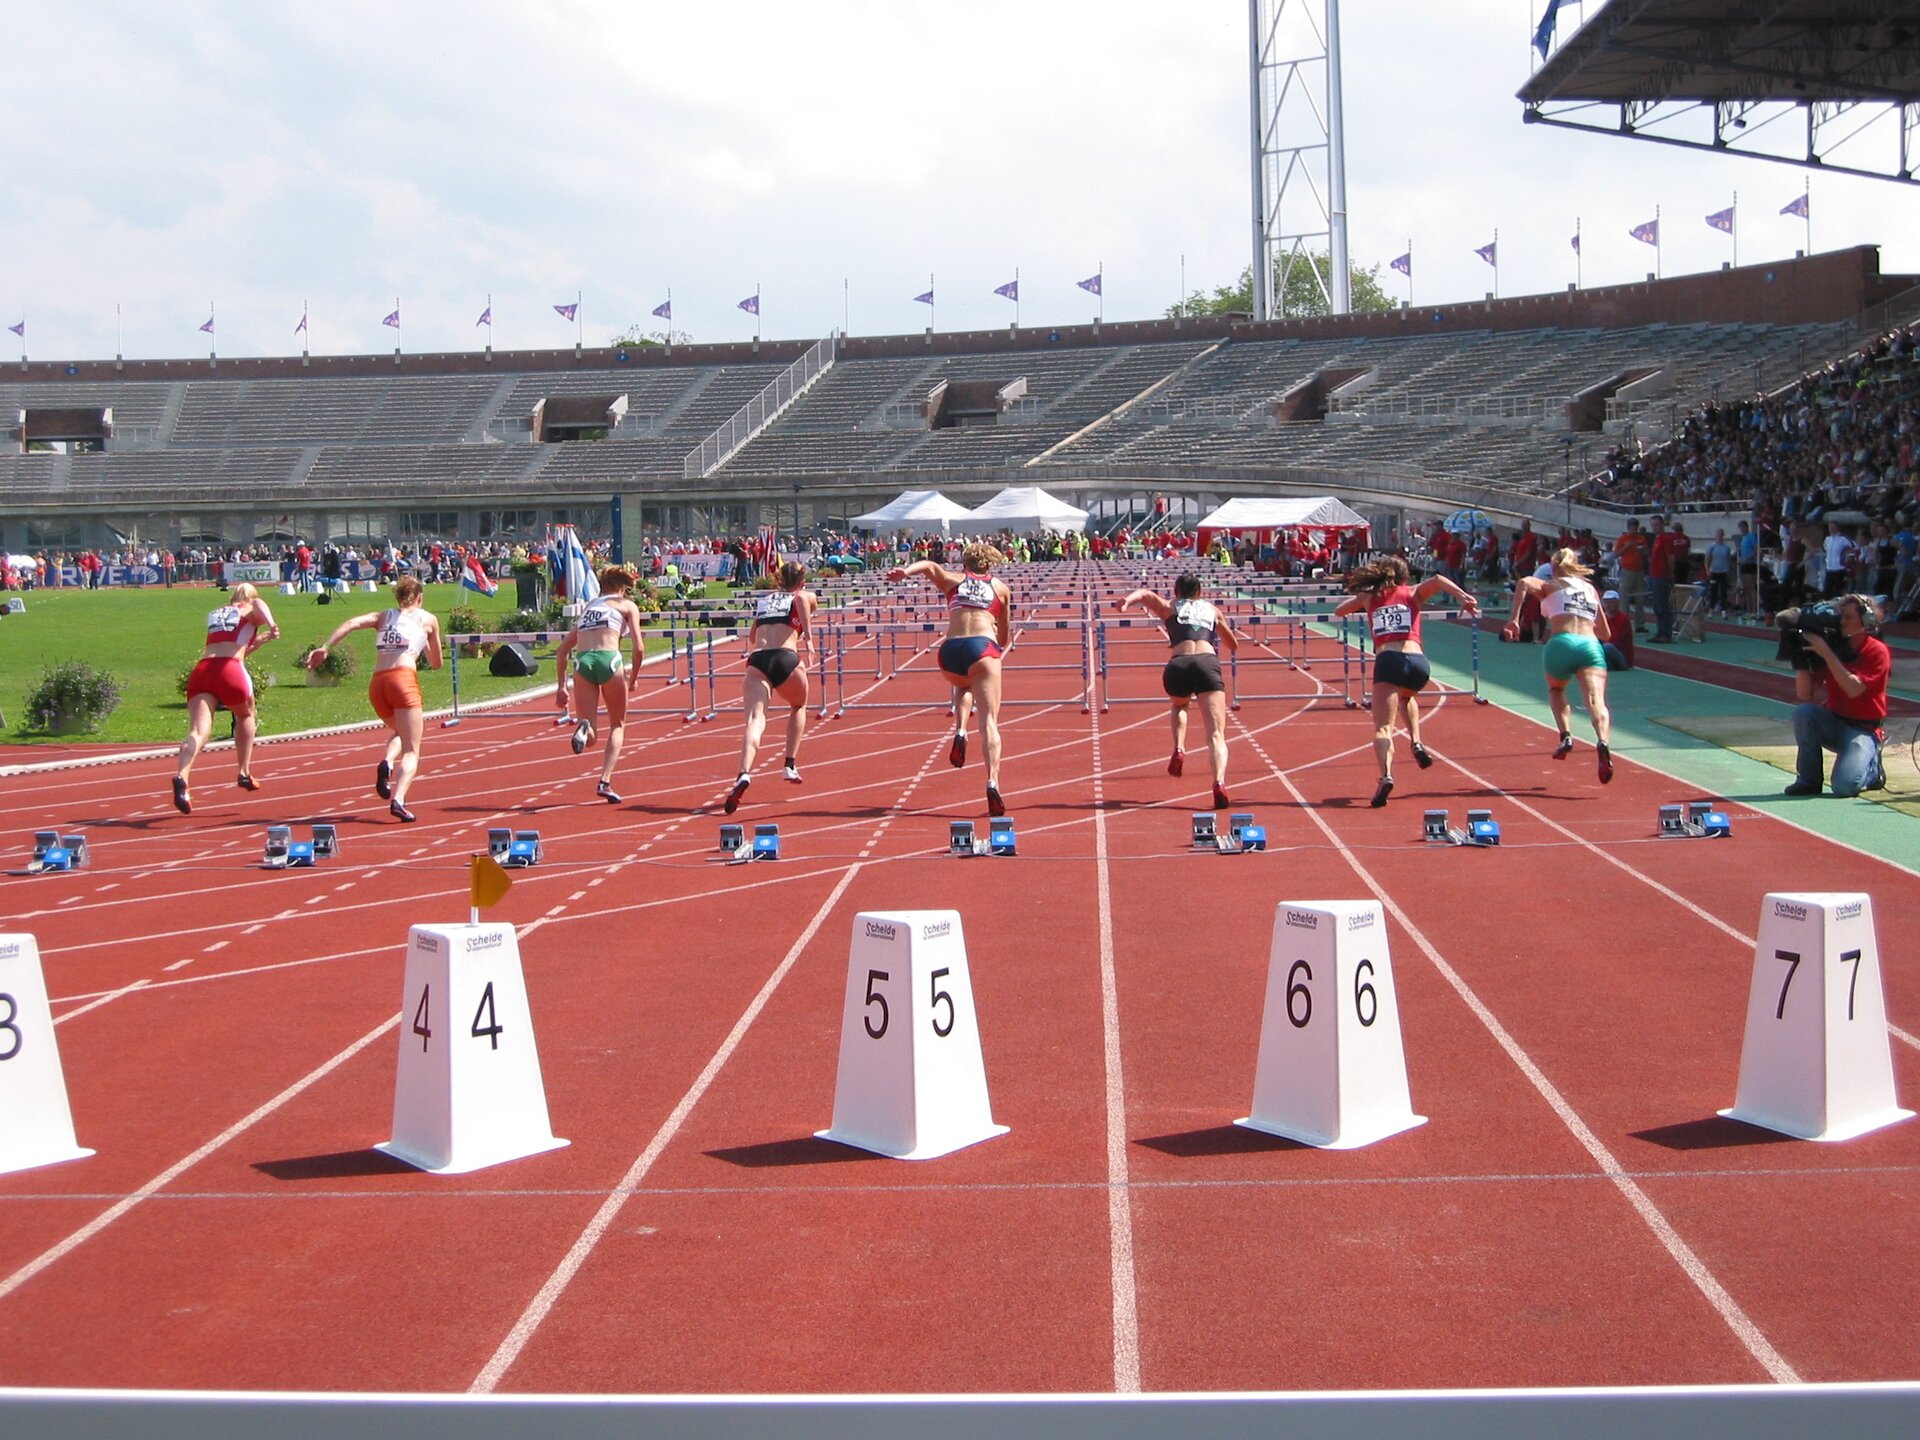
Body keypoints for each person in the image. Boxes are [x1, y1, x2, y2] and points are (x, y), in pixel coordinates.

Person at [1333, 556, 1479, 808]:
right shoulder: (1413, 593)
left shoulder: (1369, 597)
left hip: (1388, 659)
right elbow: (1437, 580)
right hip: (1418, 662)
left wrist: (1364, 598)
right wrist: (1462, 596)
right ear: (1404, 577)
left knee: (1382, 728)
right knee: (1407, 696)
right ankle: (1416, 742)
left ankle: (1386, 775)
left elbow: (1339, 611)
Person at [887, 542, 1013, 817]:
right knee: (989, 720)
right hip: (983, 647)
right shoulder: (1000, 589)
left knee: (963, 682)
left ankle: (960, 730)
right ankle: (992, 781)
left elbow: (930, 566)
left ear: (964, 564)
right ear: (989, 565)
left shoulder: (954, 581)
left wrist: (905, 572)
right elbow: (1003, 639)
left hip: (951, 651)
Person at [306, 576, 443, 822]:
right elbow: (436, 664)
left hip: (378, 683)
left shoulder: (383, 616)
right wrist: (425, 645)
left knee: (402, 732)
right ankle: (398, 799)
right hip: (403, 680)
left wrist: (325, 647)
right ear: (420, 598)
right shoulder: (428, 619)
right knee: (412, 749)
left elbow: (350, 622)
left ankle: (388, 762)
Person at [1121, 573, 1241, 809]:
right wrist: (1219, 626)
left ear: (1177, 592)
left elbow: (1144, 595)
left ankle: (1179, 747)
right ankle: (1218, 782)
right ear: (1200, 592)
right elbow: (1233, 645)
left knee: (1180, 705)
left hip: (1179, 664)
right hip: (1207, 663)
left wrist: (1126, 602)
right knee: (1216, 734)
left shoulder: (1170, 607)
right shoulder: (1212, 610)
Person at [1504, 548, 1616, 783]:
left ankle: (1565, 734)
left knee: (1557, 689)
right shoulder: (1590, 590)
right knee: (1596, 701)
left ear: (1553, 567)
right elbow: (1605, 634)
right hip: (1590, 645)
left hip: (1561, 643)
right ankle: (1603, 741)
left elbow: (1524, 582)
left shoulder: (1550, 585)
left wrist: (1514, 618)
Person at [172, 583, 281, 813]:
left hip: (203, 670)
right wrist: (272, 624)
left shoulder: (218, 613)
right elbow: (259, 606)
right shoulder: (250, 607)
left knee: (198, 731)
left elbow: (236, 645)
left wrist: (262, 639)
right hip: (230, 669)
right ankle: (243, 771)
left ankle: (182, 775)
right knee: (246, 715)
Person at [724, 561, 818, 814]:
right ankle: (789, 763)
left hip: (758, 660)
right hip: (787, 658)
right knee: (798, 706)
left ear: (778, 581)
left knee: (755, 720)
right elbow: (806, 603)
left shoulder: (765, 600)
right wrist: (807, 637)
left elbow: (753, 637)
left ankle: (744, 772)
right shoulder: (806, 595)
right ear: (801, 582)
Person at [552, 565, 645, 804]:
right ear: (622, 587)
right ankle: (605, 780)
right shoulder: (627, 606)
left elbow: (562, 651)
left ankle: (584, 726)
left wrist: (561, 687)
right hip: (609, 660)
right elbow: (639, 648)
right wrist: (633, 678)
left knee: (591, 736)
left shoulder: (588, 608)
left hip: (582, 663)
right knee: (617, 725)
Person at [1784, 594, 1889, 797]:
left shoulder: (1877, 651)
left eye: (1848, 617)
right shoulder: (1834, 646)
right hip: (1834, 722)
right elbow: (1804, 693)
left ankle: (1872, 768)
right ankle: (1808, 779)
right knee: (1804, 713)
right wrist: (1802, 659)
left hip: (1864, 729)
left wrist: (1827, 654)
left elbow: (1854, 688)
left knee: (1844, 787)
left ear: (1866, 621)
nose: (1842, 621)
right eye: (1840, 616)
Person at [1599, 590, 1635, 671]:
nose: (1608, 605)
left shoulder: (1623, 619)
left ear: (1617, 603)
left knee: (1608, 647)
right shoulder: (1602, 618)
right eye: (1606, 602)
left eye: (1611, 602)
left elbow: (1615, 641)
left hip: (1623, 659)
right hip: (1608, 652)